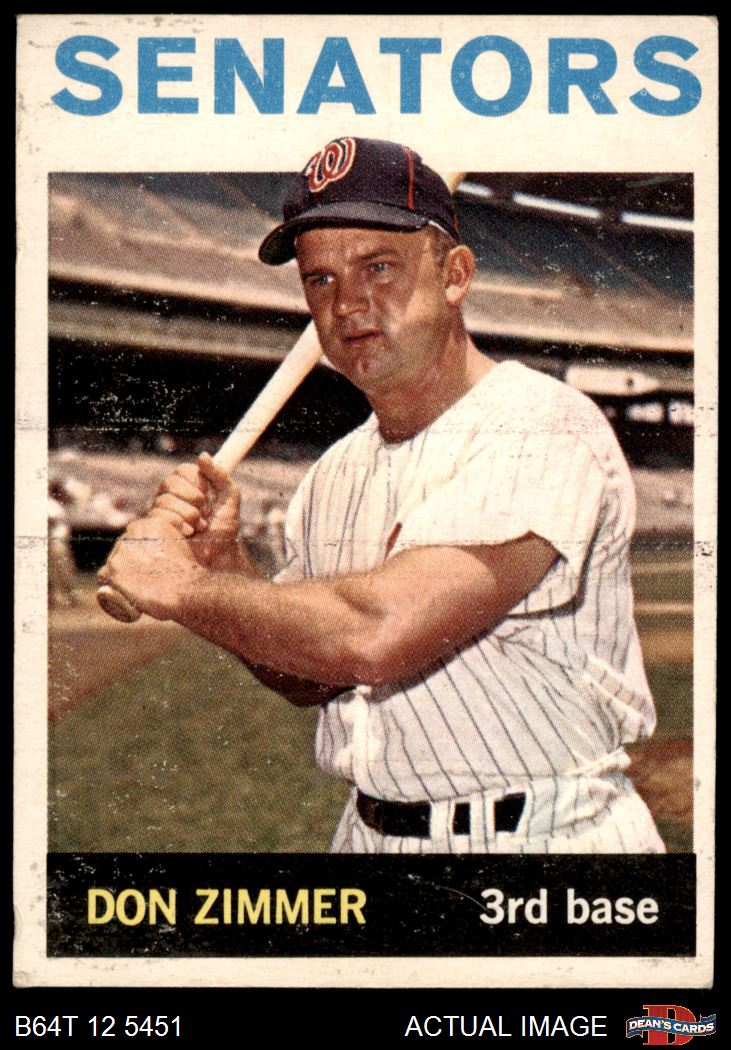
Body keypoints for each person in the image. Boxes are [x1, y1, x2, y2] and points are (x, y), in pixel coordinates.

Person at [100, 137, 665, 855]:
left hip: (544, 840)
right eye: (321, 279)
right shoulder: (334, 473)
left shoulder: (539, 425)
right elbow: (311, 676)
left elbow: (375, 635)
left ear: (455, 275)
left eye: (379, 267)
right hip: (369, 835)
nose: (347, 304)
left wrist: (181, 587)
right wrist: (224, 566)